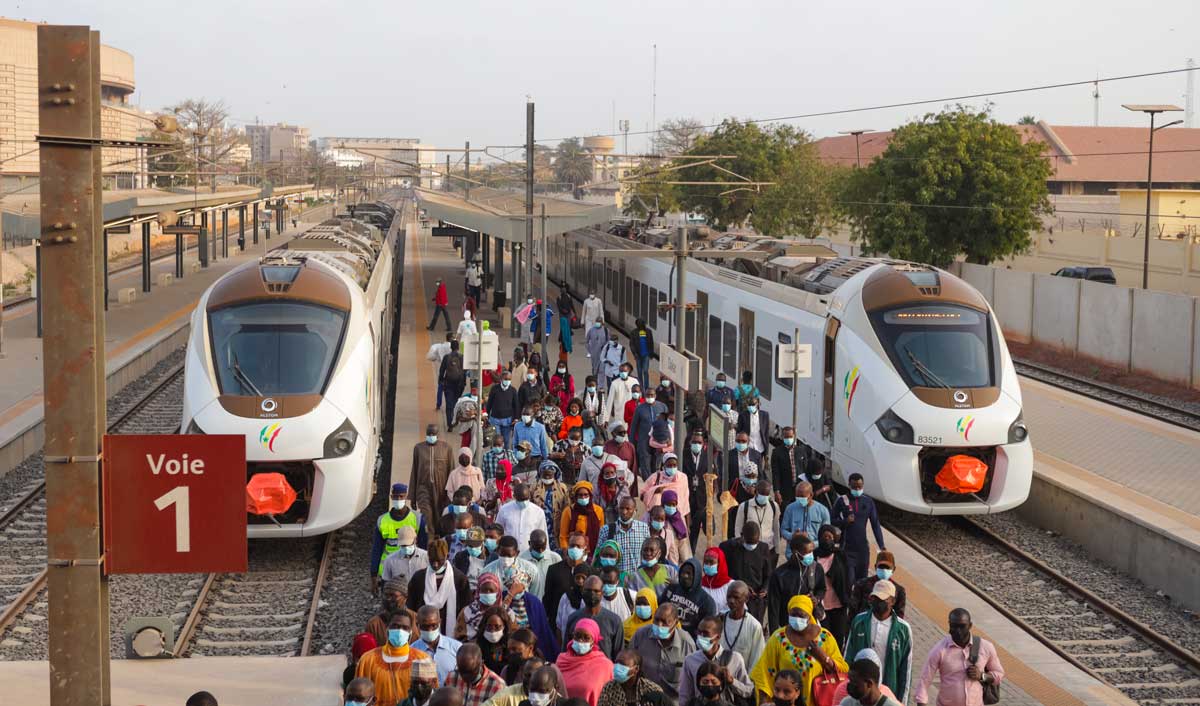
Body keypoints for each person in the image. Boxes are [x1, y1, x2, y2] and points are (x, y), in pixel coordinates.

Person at [749, 595, 848, 706]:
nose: (796, 619)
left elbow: (842, 669)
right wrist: (764, 702)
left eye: (801, 615)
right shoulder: (778, 638)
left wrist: (823, 657)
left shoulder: (825, 638)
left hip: (817, 701)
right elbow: (764, 671)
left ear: (809, 616)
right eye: (793, 615)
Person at [914, 609, 1004, 706]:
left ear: (970, 626)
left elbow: (999, 674)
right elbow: (924, 680)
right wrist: (921, 702)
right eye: (954, 626)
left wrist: (982, 676)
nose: (958, 631)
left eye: (962, 626)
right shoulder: (940, 649)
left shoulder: (986, 647)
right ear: (949, 625)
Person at [844, 581, 912, 705]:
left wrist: (903, 702)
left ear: (892, 601)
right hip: (861, 692)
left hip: (888, 692)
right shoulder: (859, 622)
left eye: (882, 599)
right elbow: (848, 656)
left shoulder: (903, 630)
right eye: (875, 598)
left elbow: (906, 671)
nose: (878, 602)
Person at [356, 612, 432, 706]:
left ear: (410, 632)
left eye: (405, 628)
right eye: (395, 626)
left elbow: (430, 697)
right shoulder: (367, 660)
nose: (400, 631)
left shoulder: (423, 659)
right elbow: (358, 696)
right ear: (387, 628)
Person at [677, 615, 754, 706]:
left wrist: (732, 681)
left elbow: (748, 690)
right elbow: (685, 695)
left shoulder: (735, 659)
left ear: (717, 637)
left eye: (705, 633)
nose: (701, 636)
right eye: (699, 632)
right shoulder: (690, 660)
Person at [629, 603, 696, 704]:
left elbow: (692, 679)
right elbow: (629, 662)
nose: (659, 625)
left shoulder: (687, 643)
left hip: (673, 701)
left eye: (665, 622)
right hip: (645, 699)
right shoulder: (641, 635)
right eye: (656, 620)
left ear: (675, 622)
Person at [833, 474, 886, 588]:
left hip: (863, 549)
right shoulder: (842, 500)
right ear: (849, 485)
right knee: (849, 580)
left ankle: (859, 599)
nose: (857, 489)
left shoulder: (868, 501)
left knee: (863, 581)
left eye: (860, 487)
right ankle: (848, 598)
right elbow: (832, 520)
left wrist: (881, 545)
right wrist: (845, 521)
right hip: (847, 548)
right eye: (854, 487)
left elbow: (875, 524)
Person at [373, 483, 429, 590]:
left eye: (401, 496)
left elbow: (423, 545)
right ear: (391, 497)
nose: (398, 499)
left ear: (406, 496)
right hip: (389, 570)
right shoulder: (382, 520)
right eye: (396, 497)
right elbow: (377, 548)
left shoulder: (417, 519)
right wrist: (373, 574)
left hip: (412, 568)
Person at [767, 535, 826, 631]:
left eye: (812, 551)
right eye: (807, 552)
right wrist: (774, 633)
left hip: (810, 624)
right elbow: (773, 607)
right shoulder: (779, 575)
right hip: (787, 625)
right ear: (796, 553)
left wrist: (817, 598)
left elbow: (822, 588)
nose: (811, 555)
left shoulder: (816, 568)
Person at [410, 539, 473, 628]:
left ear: (447, 556)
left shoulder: (460, 579)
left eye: (439, 560)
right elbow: (412, 606)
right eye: (432, 560)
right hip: (423, 627)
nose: (435, 565)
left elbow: (465, 608)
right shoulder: (418, 578)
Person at [564, 575, 625, 661]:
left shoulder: (614, 621)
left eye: (596, 591)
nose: (592, 594)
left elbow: (618, 655)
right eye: (588, 591)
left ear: (602, 593)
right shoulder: (573, 618)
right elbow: (566, 651)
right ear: (582, 591)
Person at [544, 532, 595, 633]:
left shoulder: (592, 572)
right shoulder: (554, 570)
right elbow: (547, 599)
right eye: (572, 545)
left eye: (578, 546)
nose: (575, 549)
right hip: (557, 625)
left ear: (585, 549)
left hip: (585, 627)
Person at [718, 523, 770, 621]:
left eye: (754, 543)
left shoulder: (763, 548)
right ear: (742, 536)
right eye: (749, 543)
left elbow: (768, 575)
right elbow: (724, 574)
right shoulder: (729, 548)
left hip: (755, 599)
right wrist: (742, 587)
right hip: (736, 597)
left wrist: (765, 589)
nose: (751, 546)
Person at [556, 618, 614, 706]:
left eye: (586, 638)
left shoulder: (605, 666)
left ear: (593, 641)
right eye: (577, 636)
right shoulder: (562, 660)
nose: (580, 640)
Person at [594, 496, 650, 575]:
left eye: (628, 509)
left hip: (637, 577)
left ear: (635, 511)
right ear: (617, 509)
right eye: (621, 508)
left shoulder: (643, 528)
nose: (624, 512)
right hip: (615, 578)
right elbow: (598, 555)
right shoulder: (606, 530)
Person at [718, 582, 765, 673]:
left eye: (736, 597)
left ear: (746, 599)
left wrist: (747, 681)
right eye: (729, 597)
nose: (731, 601)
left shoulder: (754, 626)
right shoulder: (719, 621)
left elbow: (757, 660)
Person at [661, 558, 715, 635]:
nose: (685, 576)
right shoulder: (672, 589)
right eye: (683, 572)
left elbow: (707, 628)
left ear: (697, 576)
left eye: (689, 573)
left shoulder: (707, 601)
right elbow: (659, 607)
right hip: (666, 633)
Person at [414, 425, 455, 524]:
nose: (431, 436)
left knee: (439, 515)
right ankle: (429, 534)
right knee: (426, 514)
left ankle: (437, 532)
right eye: (429, 434)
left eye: (433, 434)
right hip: (423, 488)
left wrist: (451, 493)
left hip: (441, 489)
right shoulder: (419, 448)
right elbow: (414, 471)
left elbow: (451, 471)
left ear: (437, 435)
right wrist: (413, 496)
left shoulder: (447, 448)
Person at [597, 649, 667, 706]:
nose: (617, 667)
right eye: (616, 662)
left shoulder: (652, 689)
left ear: (636, 669)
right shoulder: (609, 687)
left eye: (622, 664)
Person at [414, 604, 464, 684]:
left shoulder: (457, 647)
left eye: (434, 625)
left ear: (440, 622)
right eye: (425, 626)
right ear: (417, 625)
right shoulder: (412, 652)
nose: (430, 630)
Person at [724, 434, 762, 537]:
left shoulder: (756, 455)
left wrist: (756, 489)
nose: (740, 443)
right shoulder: (729, 455)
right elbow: (724, 475)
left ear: (748, 442)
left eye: (743, 441)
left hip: (751, 492)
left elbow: (761, 475)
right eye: (738, 441)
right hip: (736, 492)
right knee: (734, 520)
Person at [829, 649, 898, 705]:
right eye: (850, 681)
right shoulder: (847, 703)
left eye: (854, 683)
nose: (850, 686)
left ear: (869, 684)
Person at [731, 480, 781, 556]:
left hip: (768, 549)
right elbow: (738, 529)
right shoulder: (744, 506)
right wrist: (741, 547)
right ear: (756, 492)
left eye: (767, 494)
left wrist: (777, 551)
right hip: (750, 549)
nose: (764, 497)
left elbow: (776, 529)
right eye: (762, 494)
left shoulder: (774, 507)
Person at [640, 454, 690, 527]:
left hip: (676, 516)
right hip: (658, 517)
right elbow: (642, 495)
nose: (672, 468)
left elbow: (685, 501)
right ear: (664, 466)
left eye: (674, 465)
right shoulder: (656, 477)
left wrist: (687, 525)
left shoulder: (682, 478)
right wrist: (654, 491)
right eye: (669, 465)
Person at [496, 483, 549, 552]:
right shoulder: (504, 510)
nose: (523, 502)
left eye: (525, 499)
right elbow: (497, 531)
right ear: (514, 496)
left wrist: (547, 552)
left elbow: (543, 534)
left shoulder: (538, 512)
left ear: (529, 495)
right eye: (521, 500)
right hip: (509, 553)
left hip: (530, 554)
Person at [367, 580, 419, 648]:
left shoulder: (416, 618)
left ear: (405, 598)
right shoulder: (374, 624)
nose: (388, 599)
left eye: (393, 596)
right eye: (386, 595)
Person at [683, 432, 712, 549]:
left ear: (703, 444)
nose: (696, 444)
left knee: (697, 528)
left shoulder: (707, 457)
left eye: (699, 442)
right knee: (688, 528)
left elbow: (713, 476)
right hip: (687, 497)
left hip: (701, 498)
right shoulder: (683, 455)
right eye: (694, 442)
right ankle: (688, 551)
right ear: (690, 442)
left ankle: (692, 550)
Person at [558, 481, 605, 551]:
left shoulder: (598, 510)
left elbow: (602, 534)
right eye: (580, 495)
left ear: (590, 496)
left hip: (594, 551)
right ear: (576, 496)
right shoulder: (568, 511)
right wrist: (565, 551)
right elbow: (563, 536)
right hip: (575, 550)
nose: (583, 497)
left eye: (586, 495)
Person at [780, 482, 831, 546]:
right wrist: (792, 536)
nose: (799, 499)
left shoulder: (822, 510)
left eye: (802, 496)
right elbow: (783, 530)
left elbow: (826, 535)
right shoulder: (790, 509)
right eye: (797, 496)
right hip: (794, 550)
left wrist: (813, 544)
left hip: (815, 550)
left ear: (811, 495)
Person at [630, 389, 667, 479]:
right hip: (644, 440)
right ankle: (648, 481)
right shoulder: (639, 409)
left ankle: (655, 481)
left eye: (652, 395)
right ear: (644, 396)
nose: (650, 397)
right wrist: (632, 442)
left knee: (657, 463)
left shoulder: (662, 407)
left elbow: (667, 424)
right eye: (648, 395)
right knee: (645, 463)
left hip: (658, 440)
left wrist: (668, 439)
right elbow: (634, 426)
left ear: (655, 395)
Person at [458, 573, 506, 641]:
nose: (488, 593)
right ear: (478, 591)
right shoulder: (466, 612)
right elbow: (458, 635)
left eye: (491, 590)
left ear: (497, 592)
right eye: (484, 590)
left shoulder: (506, 613)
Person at [770, 427, 805, 509]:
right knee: (785, 511)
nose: (788, 439)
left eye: (790, 437)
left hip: (799, 489)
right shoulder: (777, 452)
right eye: (786, 437)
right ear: (782, 437)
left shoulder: (801, 451)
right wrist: (776, 491)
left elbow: (804, 468)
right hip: (785, 490)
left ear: (794, 436)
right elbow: (775, 473)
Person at [476, 606, 516, 676]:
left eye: (497, 627)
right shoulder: (479, 643)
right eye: (489, 626)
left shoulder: (511, 645)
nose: (492, 631)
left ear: (504, 626)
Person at [487, 372, 521, 448]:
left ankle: (506, 454)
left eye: (509, 379)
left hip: (507, 420)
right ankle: (495, 454)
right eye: (506, 379)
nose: (507, 381)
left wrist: (516, 418)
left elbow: (516, 405)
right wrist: (487, 414)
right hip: (495, 419)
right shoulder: (494, 389)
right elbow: (489, 402)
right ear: (501, 379)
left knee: (506, 440)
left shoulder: (513, 390)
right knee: (496, 440)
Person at [441, 342, 468, 428]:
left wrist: (441, 381)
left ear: (451, 347)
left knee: (449, 404)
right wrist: (464, 382)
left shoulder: (446, 357)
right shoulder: (462, 357)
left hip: (448, 383)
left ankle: (450, 423)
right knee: (456, 402)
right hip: (459, 384)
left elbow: (442, 371)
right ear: (458, 347)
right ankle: (455, 419)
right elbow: (465, 371)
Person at [429, 332, 456, 412]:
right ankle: (450, 404)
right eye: (453, 337)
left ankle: (438, 404)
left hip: (442, 369)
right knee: (450, 389)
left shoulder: (440, 346)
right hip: (450, 370)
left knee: (440, 388)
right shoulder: (451, 347)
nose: (454, 339)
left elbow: (435, 356)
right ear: (450, 338)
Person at [631, 319, 655, 388]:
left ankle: (646, 386)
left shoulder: (648, 332)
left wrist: (651, 354)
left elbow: (651, 342)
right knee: (639, 371)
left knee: (645, 371)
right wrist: (634, 353)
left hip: (646, 355)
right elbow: (632, 344)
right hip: (638, 355)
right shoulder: (633, 332)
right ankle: (641, 386)